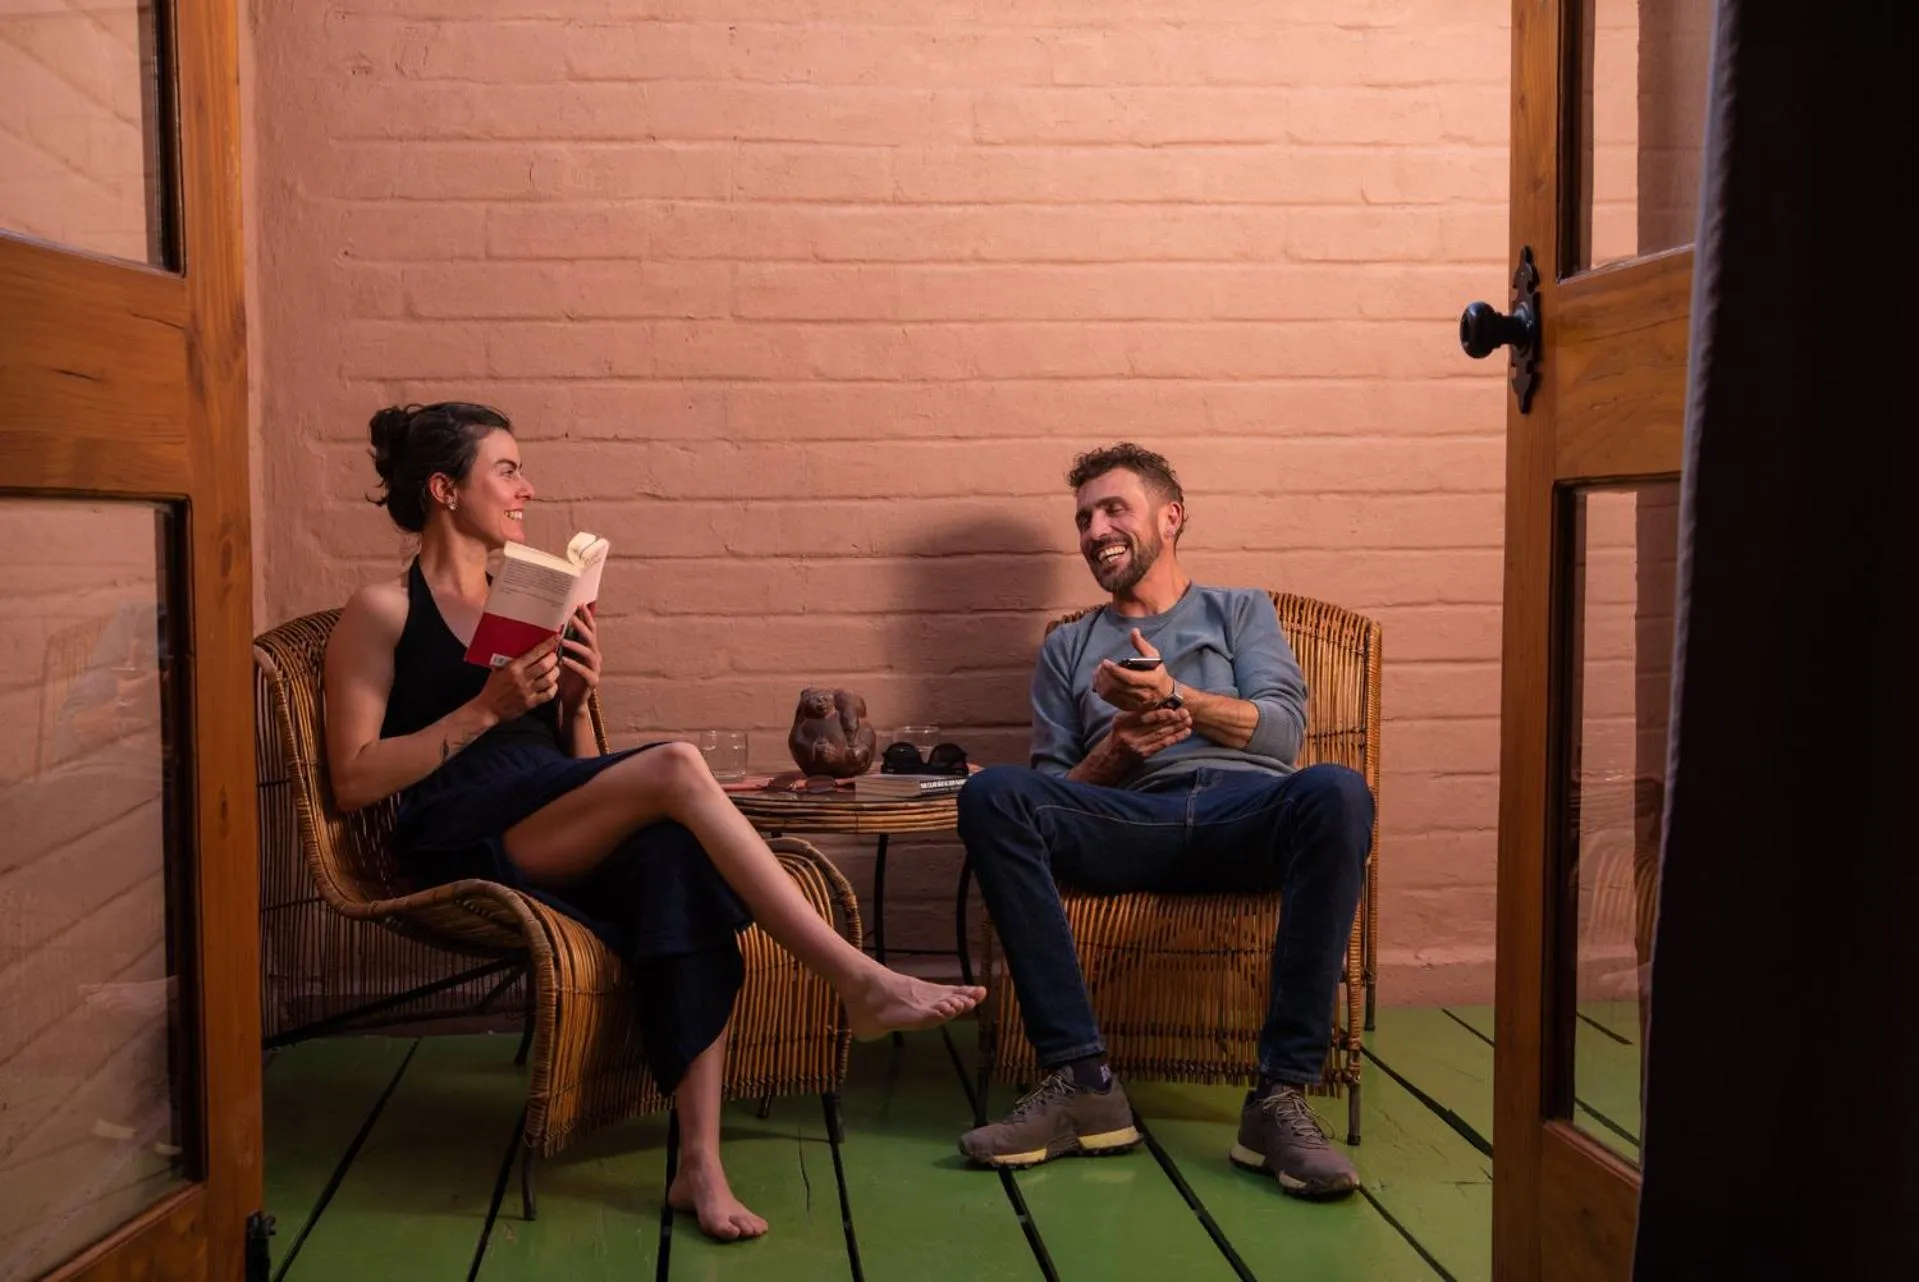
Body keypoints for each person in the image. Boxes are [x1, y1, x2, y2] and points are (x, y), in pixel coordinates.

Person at [324, 402, 984, 1241]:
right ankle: (858, 979)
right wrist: (484, 712)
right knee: (675, 763)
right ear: (445, 489)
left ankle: (698, 1166)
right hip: (462, 832)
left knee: (677, 857)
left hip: (546, 805)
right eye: (507, 471)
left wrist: (577, 699)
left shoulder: (523, 598)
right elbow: (351, 780)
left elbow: (574, 760)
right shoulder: (381, 611)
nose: (527, 488)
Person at [955, 443, 1371, 1199]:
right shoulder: (1067, 647)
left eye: (1113, 509)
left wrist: (1173, 696)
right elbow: (1053, 794)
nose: (1093, 530)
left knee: (1337, 791)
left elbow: (1281, 733)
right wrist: (1115, 748)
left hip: (1241, 816)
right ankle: (1082, 1083)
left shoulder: (1239, 609)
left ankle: (1278, 1099)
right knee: (992, 795)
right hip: (1129, 822)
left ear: (1169, 517)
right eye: (1083, 518)